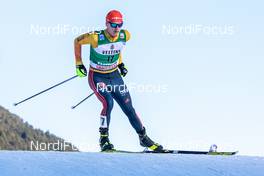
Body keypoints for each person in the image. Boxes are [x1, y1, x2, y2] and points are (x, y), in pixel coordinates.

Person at [74, 10, 163, 152]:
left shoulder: (125, 35)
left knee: (129, 108)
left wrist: (121, 64)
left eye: (120, 25)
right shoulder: (95, 38)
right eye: (114, 25)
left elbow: (117, 48)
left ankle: (143, 138)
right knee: (108, 103)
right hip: (97, 76)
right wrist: (79, 64)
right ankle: (104, 139)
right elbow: (77, 41)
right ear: (107, 24)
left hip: (115, 77)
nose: (117, 28)